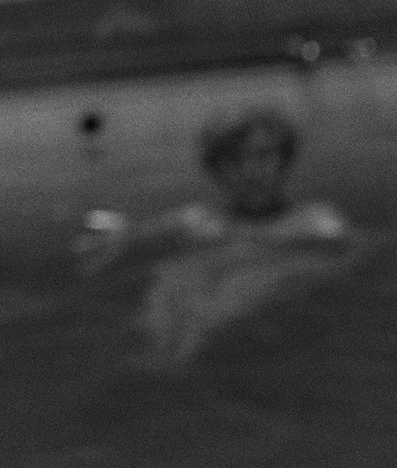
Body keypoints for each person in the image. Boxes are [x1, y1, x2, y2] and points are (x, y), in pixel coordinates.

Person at [75, 107, 353, 363]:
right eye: (235, 160)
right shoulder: (198, 221)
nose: (251, 170)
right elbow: (133, 236)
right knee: (175, 274)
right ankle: (161, 353)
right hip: (207, 288)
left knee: (245, 275)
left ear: (284, 160)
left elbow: (342, 258)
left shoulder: (315, 221)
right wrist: (111, 243)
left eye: (263, 155)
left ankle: (175, 353)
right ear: (217, 169)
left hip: (260, 287)